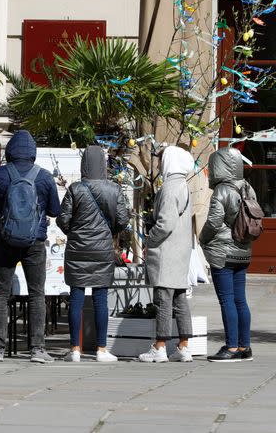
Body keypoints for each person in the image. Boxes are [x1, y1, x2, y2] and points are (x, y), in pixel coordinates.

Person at [0, 130, 61, 363]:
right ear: (33, 152)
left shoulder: (0, 174)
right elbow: (55, 211)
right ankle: (37, 349)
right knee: (36, 294)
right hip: (34, 242)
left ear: (11, 151)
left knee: (1, 294)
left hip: (5, 241)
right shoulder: (44, 177)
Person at [56, 146, 130, 363]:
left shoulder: (75, 189)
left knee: (76, 298)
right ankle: (101, 349)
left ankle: (75, 349)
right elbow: (123, 219)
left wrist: (75, 233)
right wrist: (109, 232)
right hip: (102, 249)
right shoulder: (114, 189)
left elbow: (63, 219)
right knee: (100, 299)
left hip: (77, 249)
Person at [139, 146, 195, 363]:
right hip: (180, 251)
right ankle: (183, 346)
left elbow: (165, 223)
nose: (159, 164)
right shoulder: (183, 185)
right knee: (180, 300)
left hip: (166, 251)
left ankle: (159, 346)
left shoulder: (170, 187)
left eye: (161, 159)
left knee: (163, 299)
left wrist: (150, 238)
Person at [200, 147, 255, 362]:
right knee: (240, 300)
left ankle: (231, 347)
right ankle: (245, 346)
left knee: (227, 300)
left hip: (222, 252)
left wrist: (203, 239)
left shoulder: (222, 190)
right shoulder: (247, 188)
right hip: (243, 250)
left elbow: (214, 221)